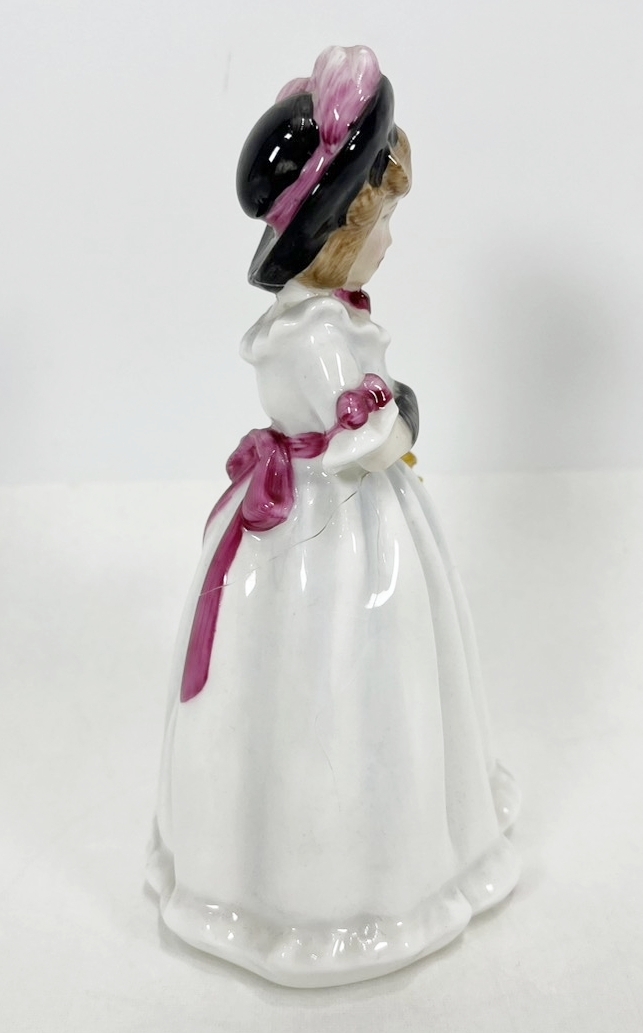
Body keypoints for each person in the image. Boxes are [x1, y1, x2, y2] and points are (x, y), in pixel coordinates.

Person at [147, 45, 520, 988]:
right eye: (383, 221)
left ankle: (391, 846)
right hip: (327, 523)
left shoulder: (331, 320)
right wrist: (400, 414)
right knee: (324, 680)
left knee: (386, 676)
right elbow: (356, 436)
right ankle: (311, 887)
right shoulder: (310, 334)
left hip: (351, 512)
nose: (391, 241)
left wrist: (388, 408)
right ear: (342, 228)